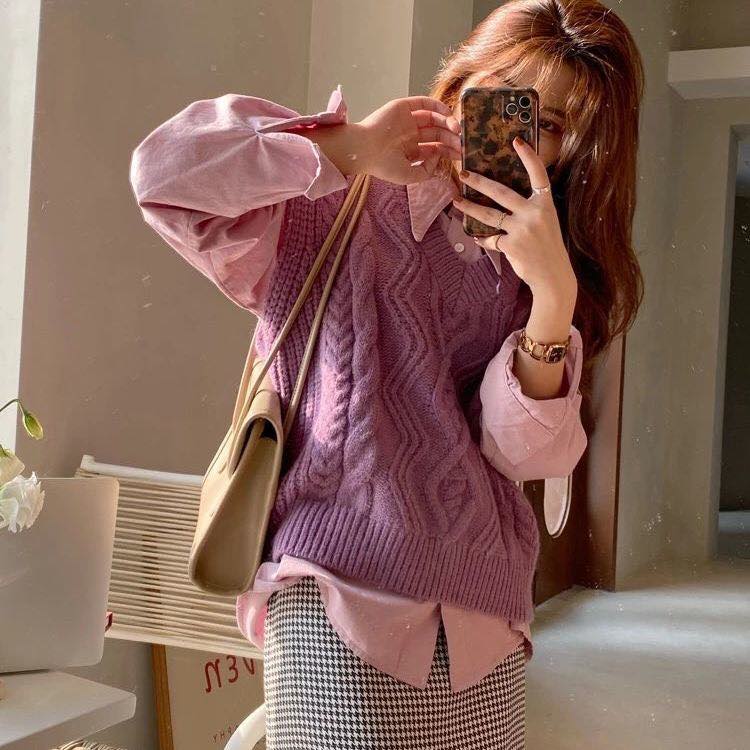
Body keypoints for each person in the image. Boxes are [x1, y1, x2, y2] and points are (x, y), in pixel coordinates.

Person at [129, 0, 644, 746]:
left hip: (482, 611)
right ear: (463, 81)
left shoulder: (539, 266)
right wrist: (352, 145)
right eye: (506, 98)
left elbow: (519, 454)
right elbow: (164, 175)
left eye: (551, 125)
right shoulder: (324, 200)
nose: (517, 134)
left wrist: (552, 301)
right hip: (335, 584)